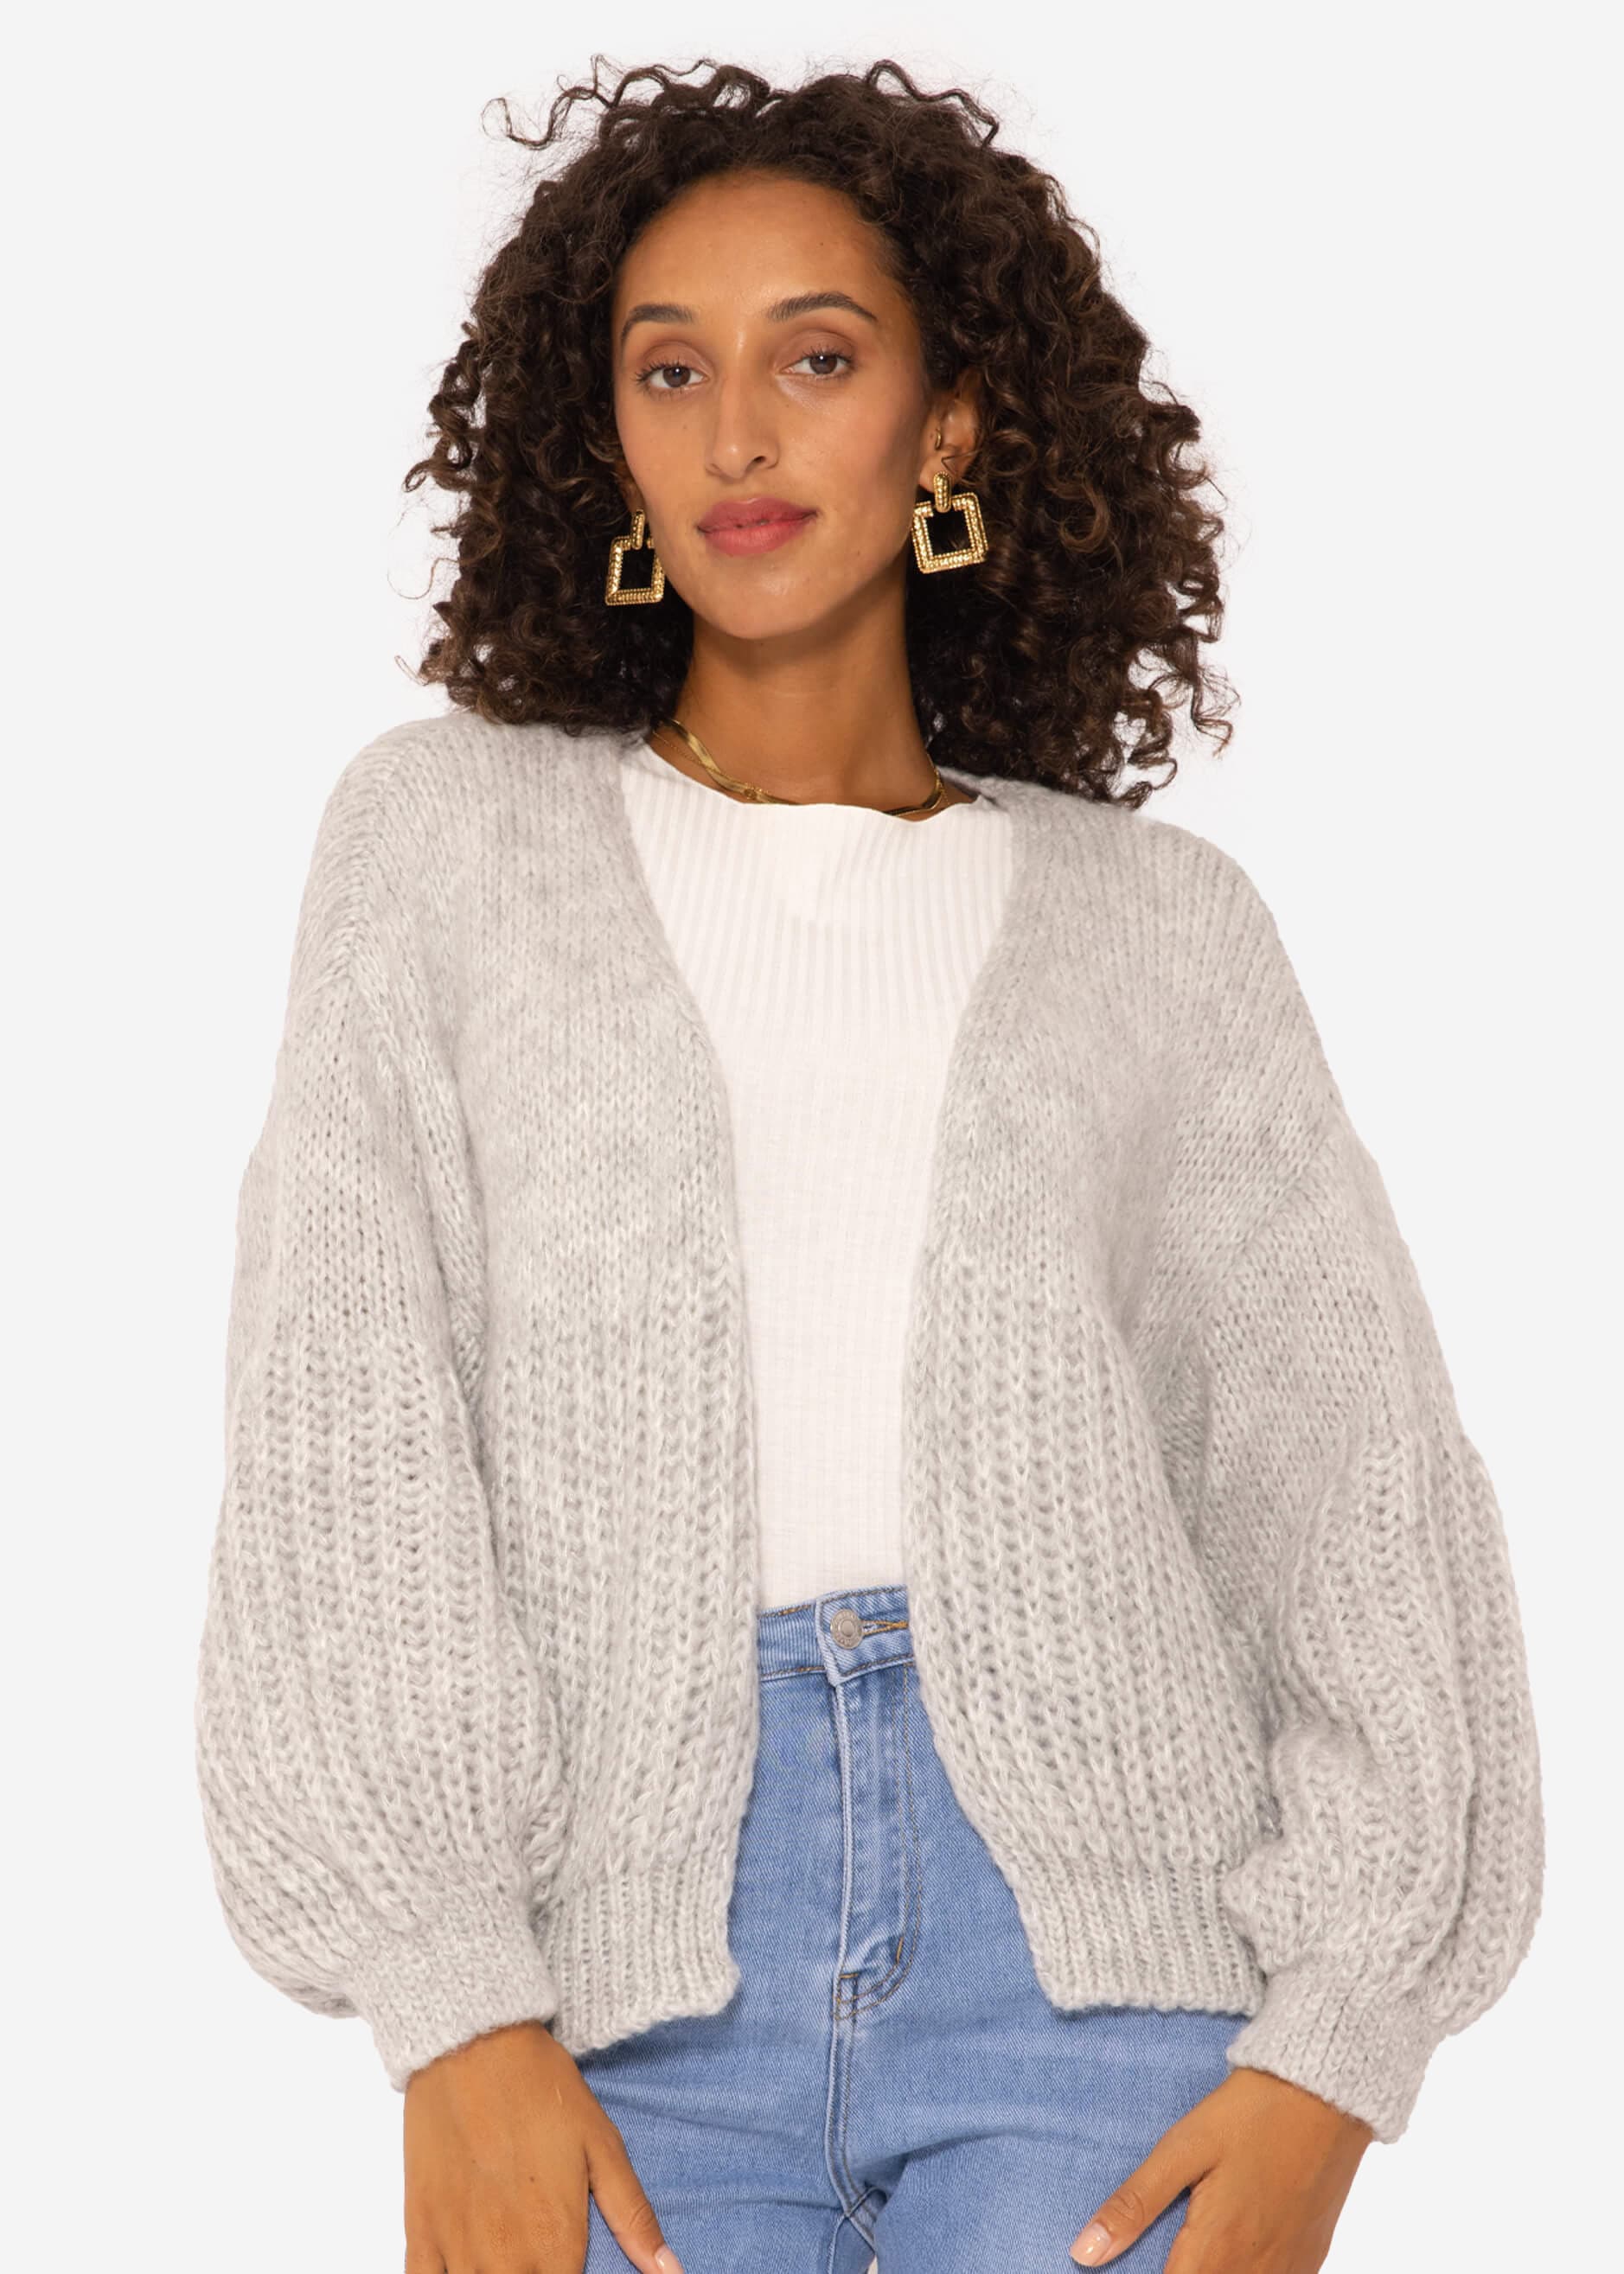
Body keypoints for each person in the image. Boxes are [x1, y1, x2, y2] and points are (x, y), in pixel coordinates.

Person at [192, 54, 1544, 2274]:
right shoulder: (441, 845)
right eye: (671, 370)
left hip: (1100, 1973)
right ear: (609, 443)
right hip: (612, 1993)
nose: (739, 432)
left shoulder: (1161, 926)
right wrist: (450, 2000)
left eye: (817, 358)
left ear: (950, 428)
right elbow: (346, 1413)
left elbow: (1345, 1478)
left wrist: (1339, 2044)